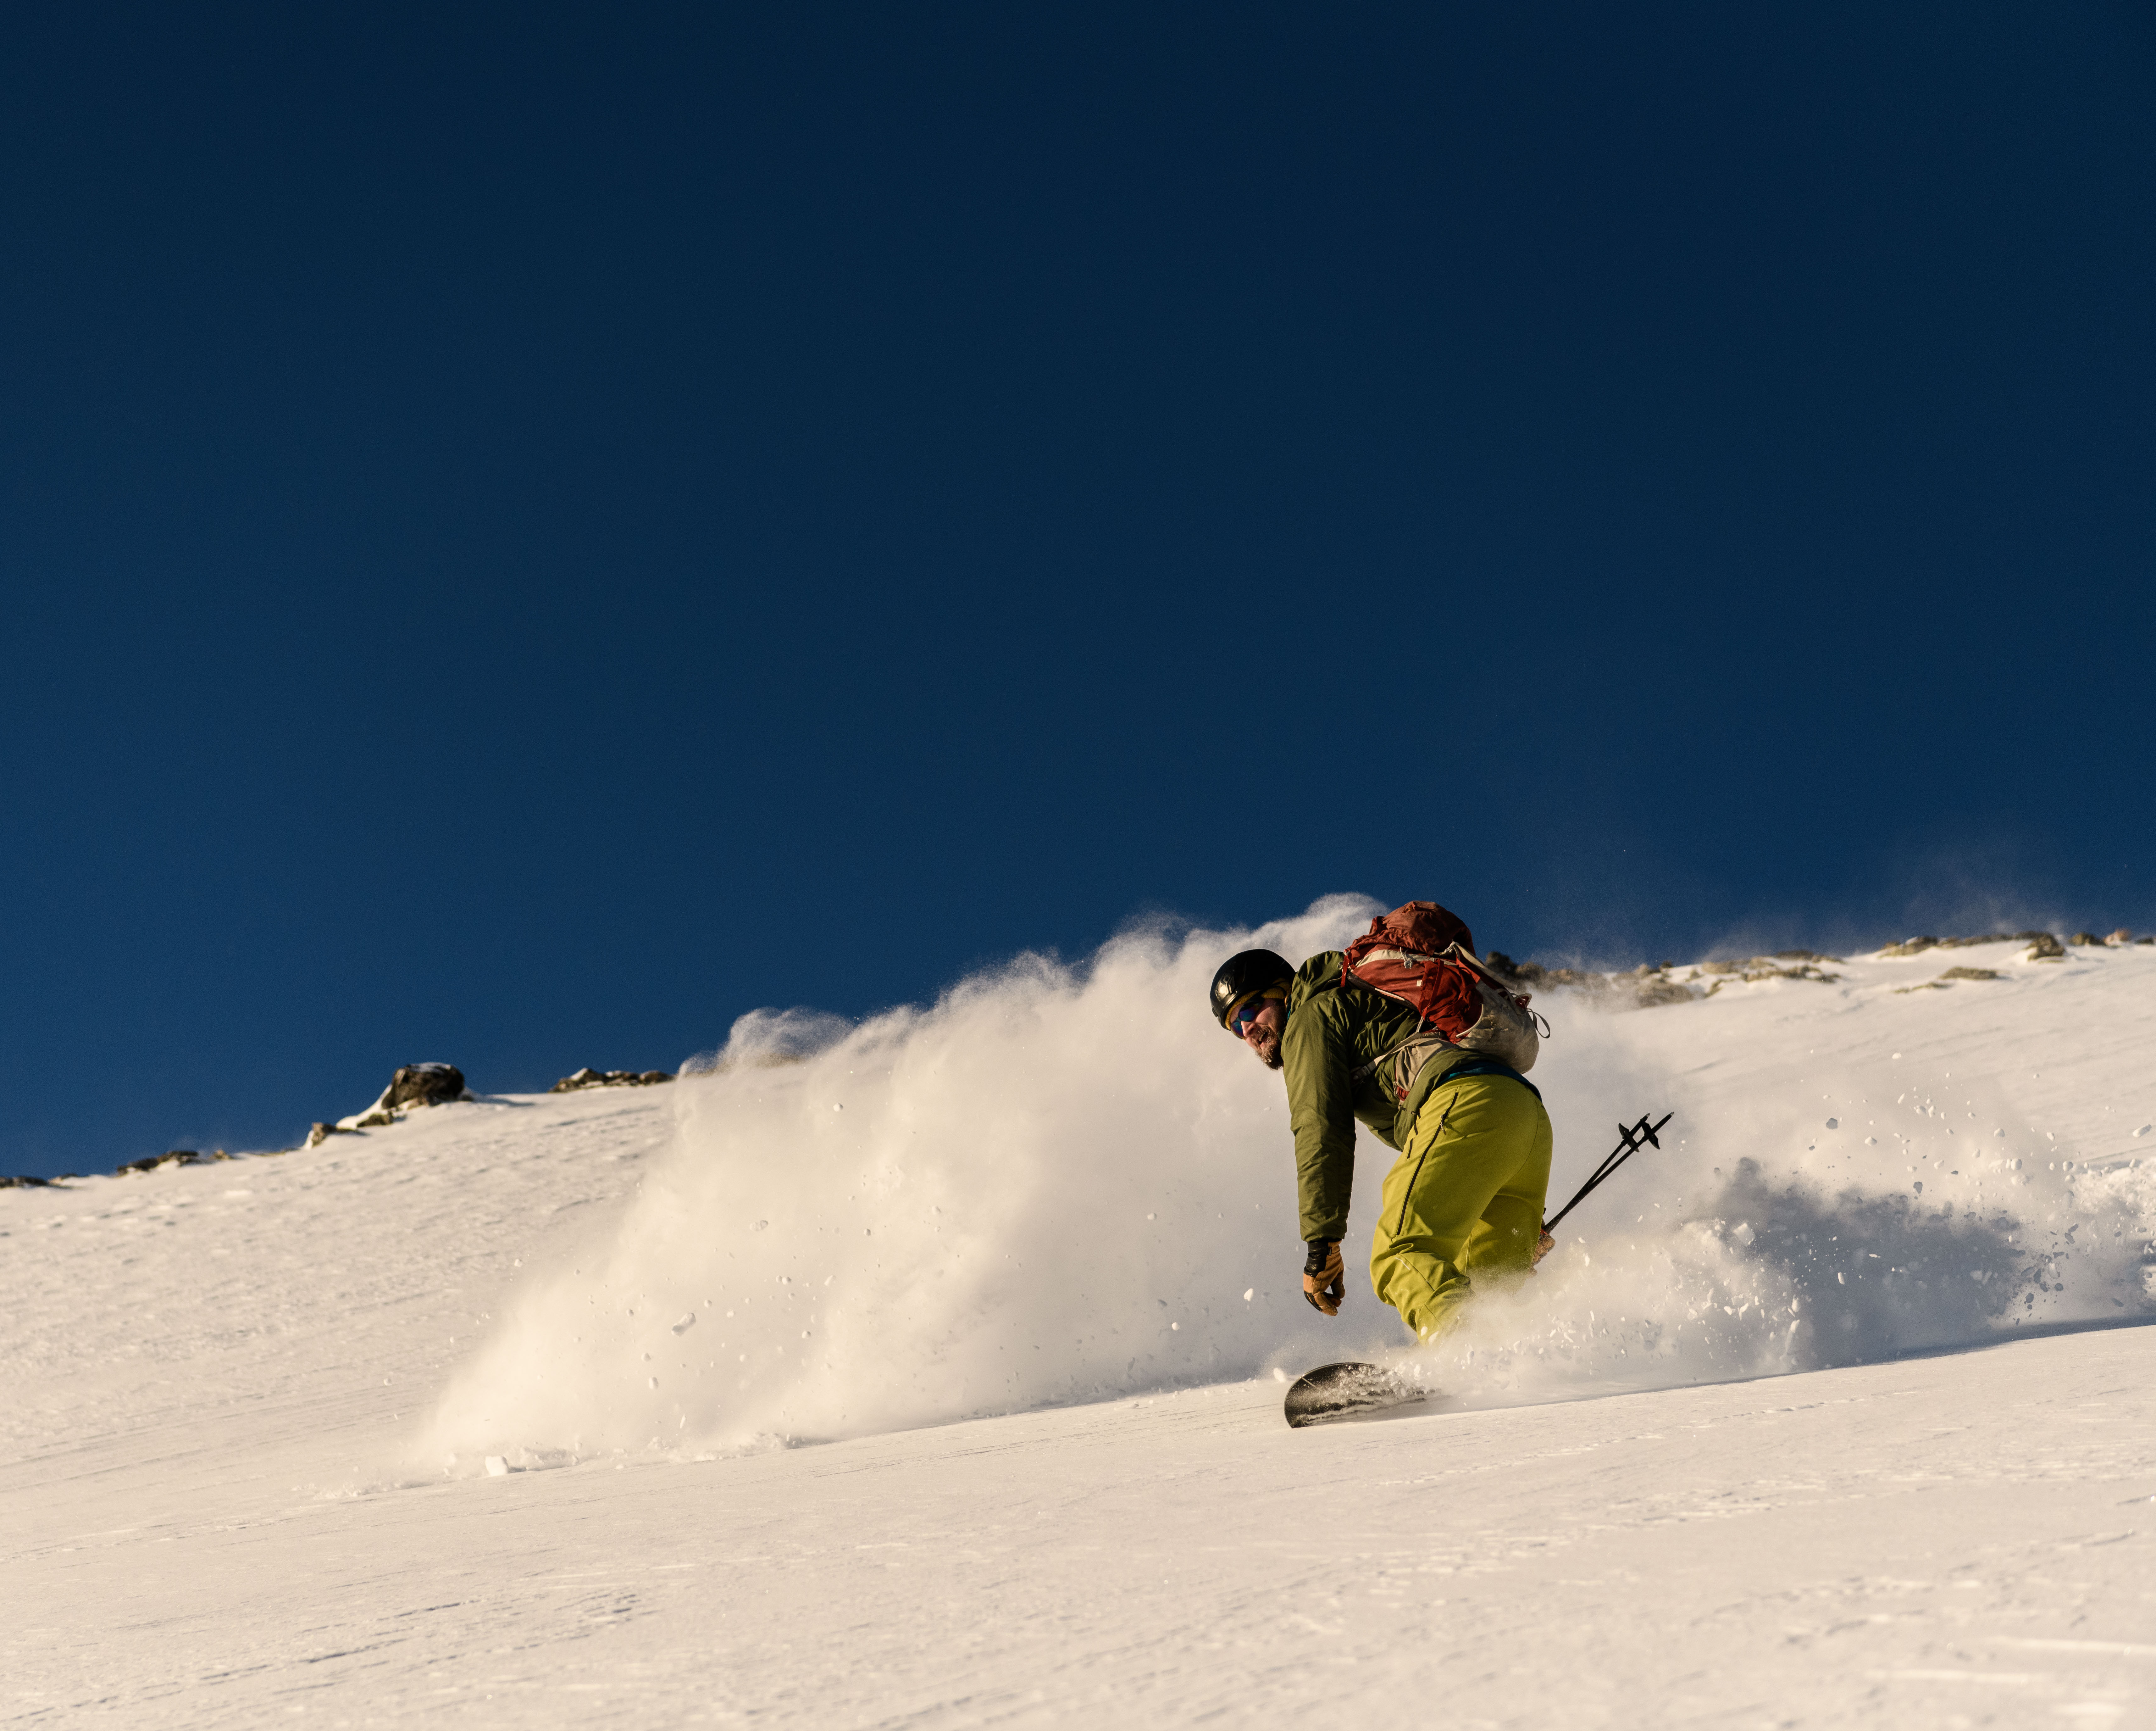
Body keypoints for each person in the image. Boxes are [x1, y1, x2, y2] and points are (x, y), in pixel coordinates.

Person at [1209, 943, 1554, 1340]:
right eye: (1234, 1025)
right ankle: (1509, 1360)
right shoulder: (1360, 1006)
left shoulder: (1308, 1017)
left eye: (1250, 1010)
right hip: (1522, 1116)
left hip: (1464, 1102)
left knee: (1400, 1252)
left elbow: (1319, 1125)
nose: (1247, 1030)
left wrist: (1322, 1240)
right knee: (1485, 1286)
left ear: (1283, 992)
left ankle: (1463, 1353)